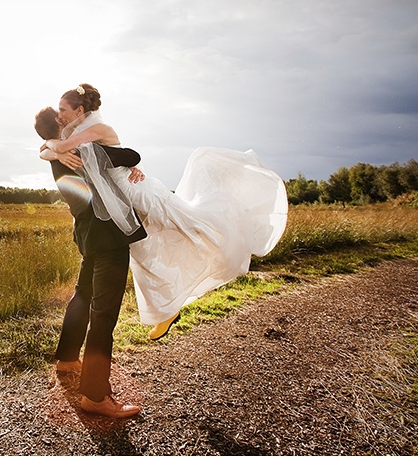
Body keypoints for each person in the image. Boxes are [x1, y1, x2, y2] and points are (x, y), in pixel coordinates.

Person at [42, 84, 288, 341]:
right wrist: (50, 149)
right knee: (146, 252)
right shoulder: (79, 133)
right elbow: (78, 152)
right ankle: (167, 311)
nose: (60, 115)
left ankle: (234, 232)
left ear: (79, 109)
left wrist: (50, 146)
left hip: (138, 191)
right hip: (125, 202)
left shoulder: (97, 129)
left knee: (189, 224)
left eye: (63, 109)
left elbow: (65, 148)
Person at [34, 105, 146, 419]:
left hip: (86, 236)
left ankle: (68, 358)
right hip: (108, 237)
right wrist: (132, 166)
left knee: (82, 297)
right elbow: (131, 155)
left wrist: (51, 147)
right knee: (104, 315)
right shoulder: (83, 150)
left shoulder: (56, 158)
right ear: (60, 122)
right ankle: (95, 396)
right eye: (64, 115)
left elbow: (47, 148)